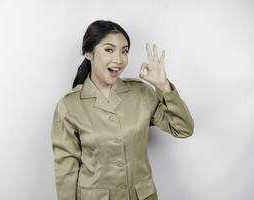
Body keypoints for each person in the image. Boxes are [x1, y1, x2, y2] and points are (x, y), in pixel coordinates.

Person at [51, 19, 194, 200]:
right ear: (88, 53)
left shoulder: (141, 92)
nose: (119, 59)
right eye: (109, 50)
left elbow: (183, 129)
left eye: (124, 51)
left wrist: (163, 86)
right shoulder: (69, 105)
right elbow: (66, 169)